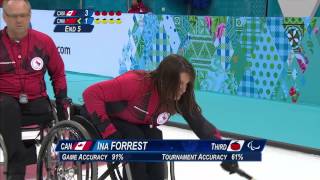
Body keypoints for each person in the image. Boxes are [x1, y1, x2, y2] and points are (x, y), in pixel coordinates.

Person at [82, 54, 239, 180]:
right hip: (107, 117)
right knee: (135, 141)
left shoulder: (180, 97)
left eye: (187, 84)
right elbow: (90, 94)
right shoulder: (135, 83)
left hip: (138, 122)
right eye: (180, 84)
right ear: (166, 80)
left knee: (156, 141)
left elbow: (201, 125)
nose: (184, 90)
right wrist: (109, 133)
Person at [0, 0, 70, 179]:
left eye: (23, 15)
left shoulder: (44, 42)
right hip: (4, 104)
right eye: (14, 16)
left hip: (36, 104)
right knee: (8, 107)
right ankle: (16, 170)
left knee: (37, 112)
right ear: (4, 17)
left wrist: (63, 109)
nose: (19, 20)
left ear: (29, 16)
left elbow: (58, 74)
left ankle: (25, 154)